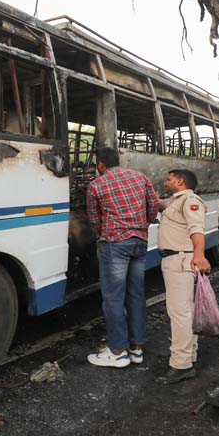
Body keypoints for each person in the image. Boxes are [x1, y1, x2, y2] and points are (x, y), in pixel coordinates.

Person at [85, 146, 160, 368]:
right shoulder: (139, 176)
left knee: (113, 298)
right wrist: (143, 224)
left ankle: (117, 351)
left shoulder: (96, 185)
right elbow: (154, 204)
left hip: (115, 244)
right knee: (136, 295)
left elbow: (94, 217)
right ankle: (136, 349)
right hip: (139, 241)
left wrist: (103, 234)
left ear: (100, 165)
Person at [155, 169, 210, 385]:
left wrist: (199, 254)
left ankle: (181, 366)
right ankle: (189, 358)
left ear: (180, 181)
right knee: (185, 313)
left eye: (168, 179)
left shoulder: (190, 200)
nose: (165, 181)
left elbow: (197, 229)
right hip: (175, 260)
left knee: (180, 314)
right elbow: (164, 207)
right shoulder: (175, 201)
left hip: (180, 261)